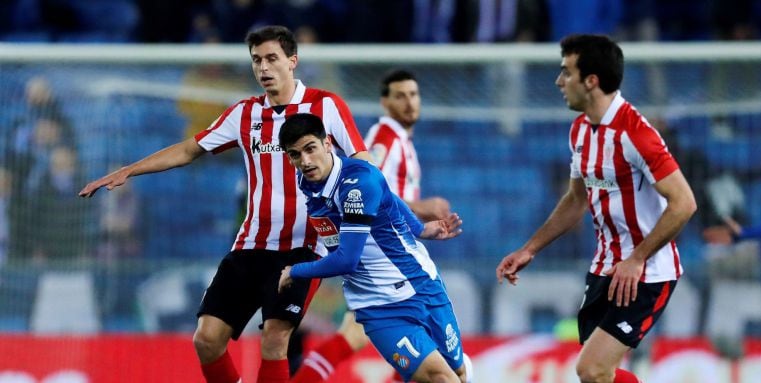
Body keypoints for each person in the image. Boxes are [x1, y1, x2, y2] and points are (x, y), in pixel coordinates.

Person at [79, 25, 370, 383]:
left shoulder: (324, 106)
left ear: (292, 61)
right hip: (250, 245)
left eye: (271, 59)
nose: (263, 68)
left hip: (303, 247)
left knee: (275, 337)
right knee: (206, 340)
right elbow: (190, 149)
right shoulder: (244, 114)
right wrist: (130, 170)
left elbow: (363, 163)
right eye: (256, 60)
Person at [495, 34, 697, 383]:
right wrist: (530, 249)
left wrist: (637, 259)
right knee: (598, 376)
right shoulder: (579, 132)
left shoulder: (636, 133)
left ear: (591, 81)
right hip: (604, 269)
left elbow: (684, 203)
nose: (559, 82)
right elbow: (576, 199)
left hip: (646, 273)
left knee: (591, 369)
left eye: (566, 73)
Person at [277, 113, 472, 383]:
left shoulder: (357, 185)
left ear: (327, 144)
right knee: (442, 378)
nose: (305, 161)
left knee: (460, 373)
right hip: (377, 308)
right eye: (295, 155)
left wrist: (295, 271)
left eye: (310, 148)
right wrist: (419, 228)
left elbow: (347, 260)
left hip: (421, 286)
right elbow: (387, 191)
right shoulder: (307, 182)